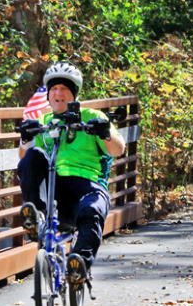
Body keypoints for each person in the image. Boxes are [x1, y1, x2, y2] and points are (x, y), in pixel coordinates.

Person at [15, 61, 126, 283]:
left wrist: (104, 132)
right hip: (53, 190)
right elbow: (24, 160)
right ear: (48, 94)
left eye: (64, 88)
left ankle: (78, 266)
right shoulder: (42, 121)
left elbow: (118, 149)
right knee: (33, 155)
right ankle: (35, 216)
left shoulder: (92, 116)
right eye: (54, 89)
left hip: (86, 186)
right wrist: (26, 139)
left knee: (92, 210)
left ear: (74, 94)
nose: (58, 94)